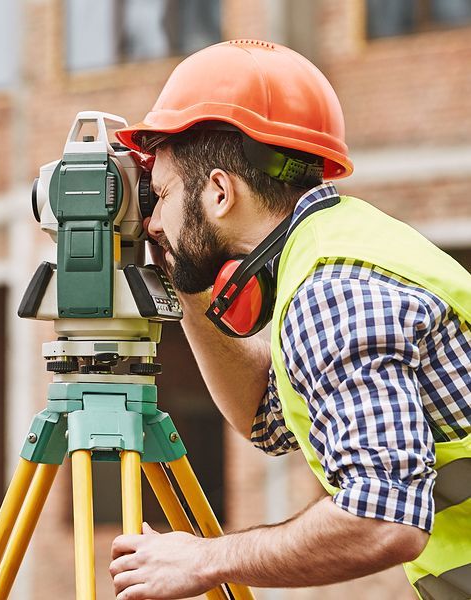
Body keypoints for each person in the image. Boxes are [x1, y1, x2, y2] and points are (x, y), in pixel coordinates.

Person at [108, 39, 471, 600]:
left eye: (162, 194)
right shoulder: (336, 246)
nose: (153, 222)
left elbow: (383, 520)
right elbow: (268, 420)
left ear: (220, 192)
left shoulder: (333, 292)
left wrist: (205, 560)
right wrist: (189, 282)